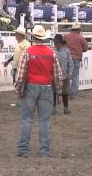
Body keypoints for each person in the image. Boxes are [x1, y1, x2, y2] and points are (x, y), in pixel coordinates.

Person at [14, 25, 63, 157]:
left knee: (26, 119)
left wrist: (18, 89)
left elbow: (20, 75)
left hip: (30, 87)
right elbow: (58, 75)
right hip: (46, 87)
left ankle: (23, 150)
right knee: (44, 121)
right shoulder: (51, 53)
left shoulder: (27, 52)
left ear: (33, 37)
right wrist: (58, 93)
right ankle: (44, 151)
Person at [64, 23, 88, 99]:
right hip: (76, 58)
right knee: (75, 76)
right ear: (78, 30)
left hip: (67, 58)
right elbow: (85, 48)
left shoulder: (66, 36)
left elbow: (61, 46)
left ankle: (65, 93)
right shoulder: (81, 38)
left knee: (66, 76)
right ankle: (73, 94)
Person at [51, 34, 73, 115]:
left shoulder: (66, 51)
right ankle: (53, 108)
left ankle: (66, 108)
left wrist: (70, 73)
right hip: (54, 75)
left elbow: (70, 62)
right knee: (53, 91)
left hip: (64, 75)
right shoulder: (51, 51)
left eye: (57, 42)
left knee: (65, 92)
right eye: (55, 42)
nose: (56, 44)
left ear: (61, 43)